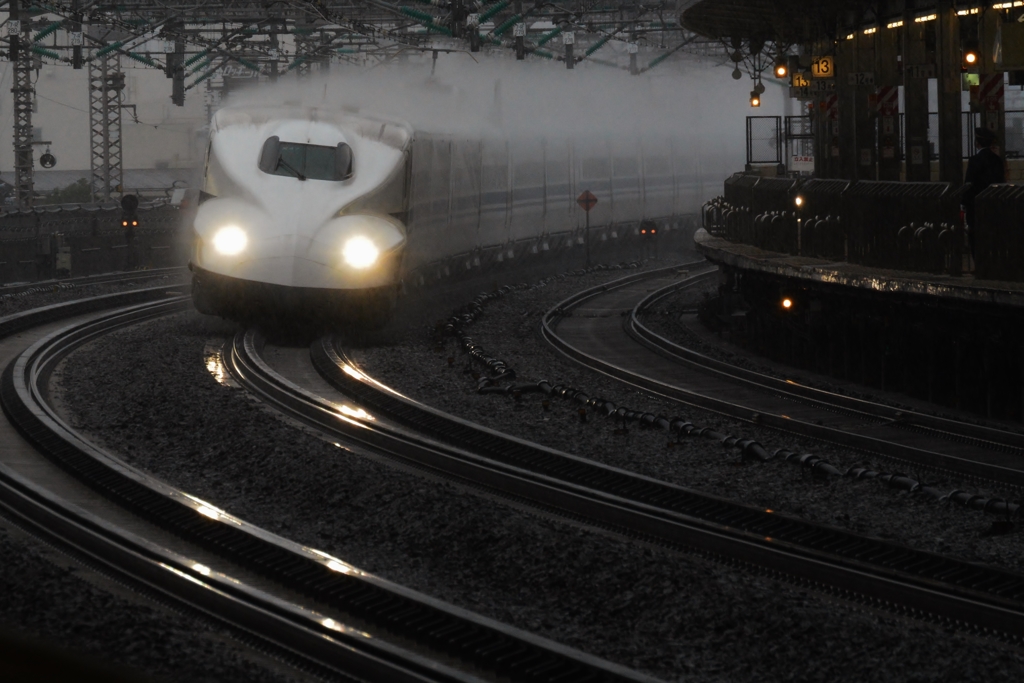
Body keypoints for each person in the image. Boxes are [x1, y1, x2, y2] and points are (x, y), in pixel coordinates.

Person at [962, 127, 1006, 257]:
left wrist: (964, 202)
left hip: (975, 205)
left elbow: (969, 184)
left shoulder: (974, 160)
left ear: (977, 143)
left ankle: (979, 263)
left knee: (975, 235)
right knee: (992, 235)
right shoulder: (997, 160)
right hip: (993, 203)